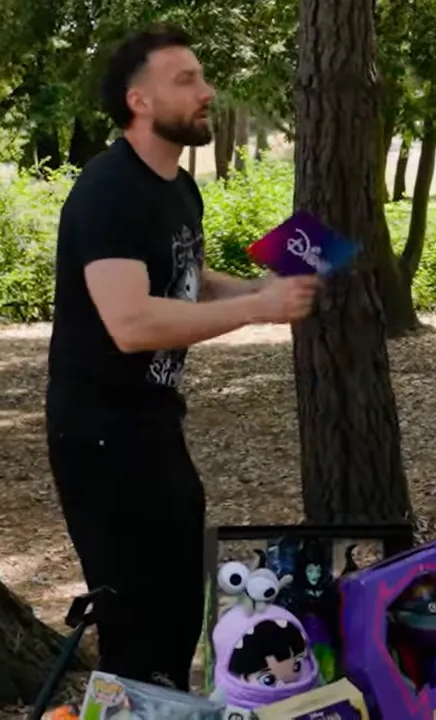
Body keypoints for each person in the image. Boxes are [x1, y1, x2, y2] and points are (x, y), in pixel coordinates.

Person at [44, 25, 319, 691]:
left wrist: (260, 286)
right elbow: (131, 321)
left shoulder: (176, 189)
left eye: (203, 77)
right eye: (186, 80)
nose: (207, 91)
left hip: (157, 429)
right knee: (138, 628)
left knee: (175, 618)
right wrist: (258, 310)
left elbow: (187, 276)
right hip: (103, 440)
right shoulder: (110, 190)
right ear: (139, 101)